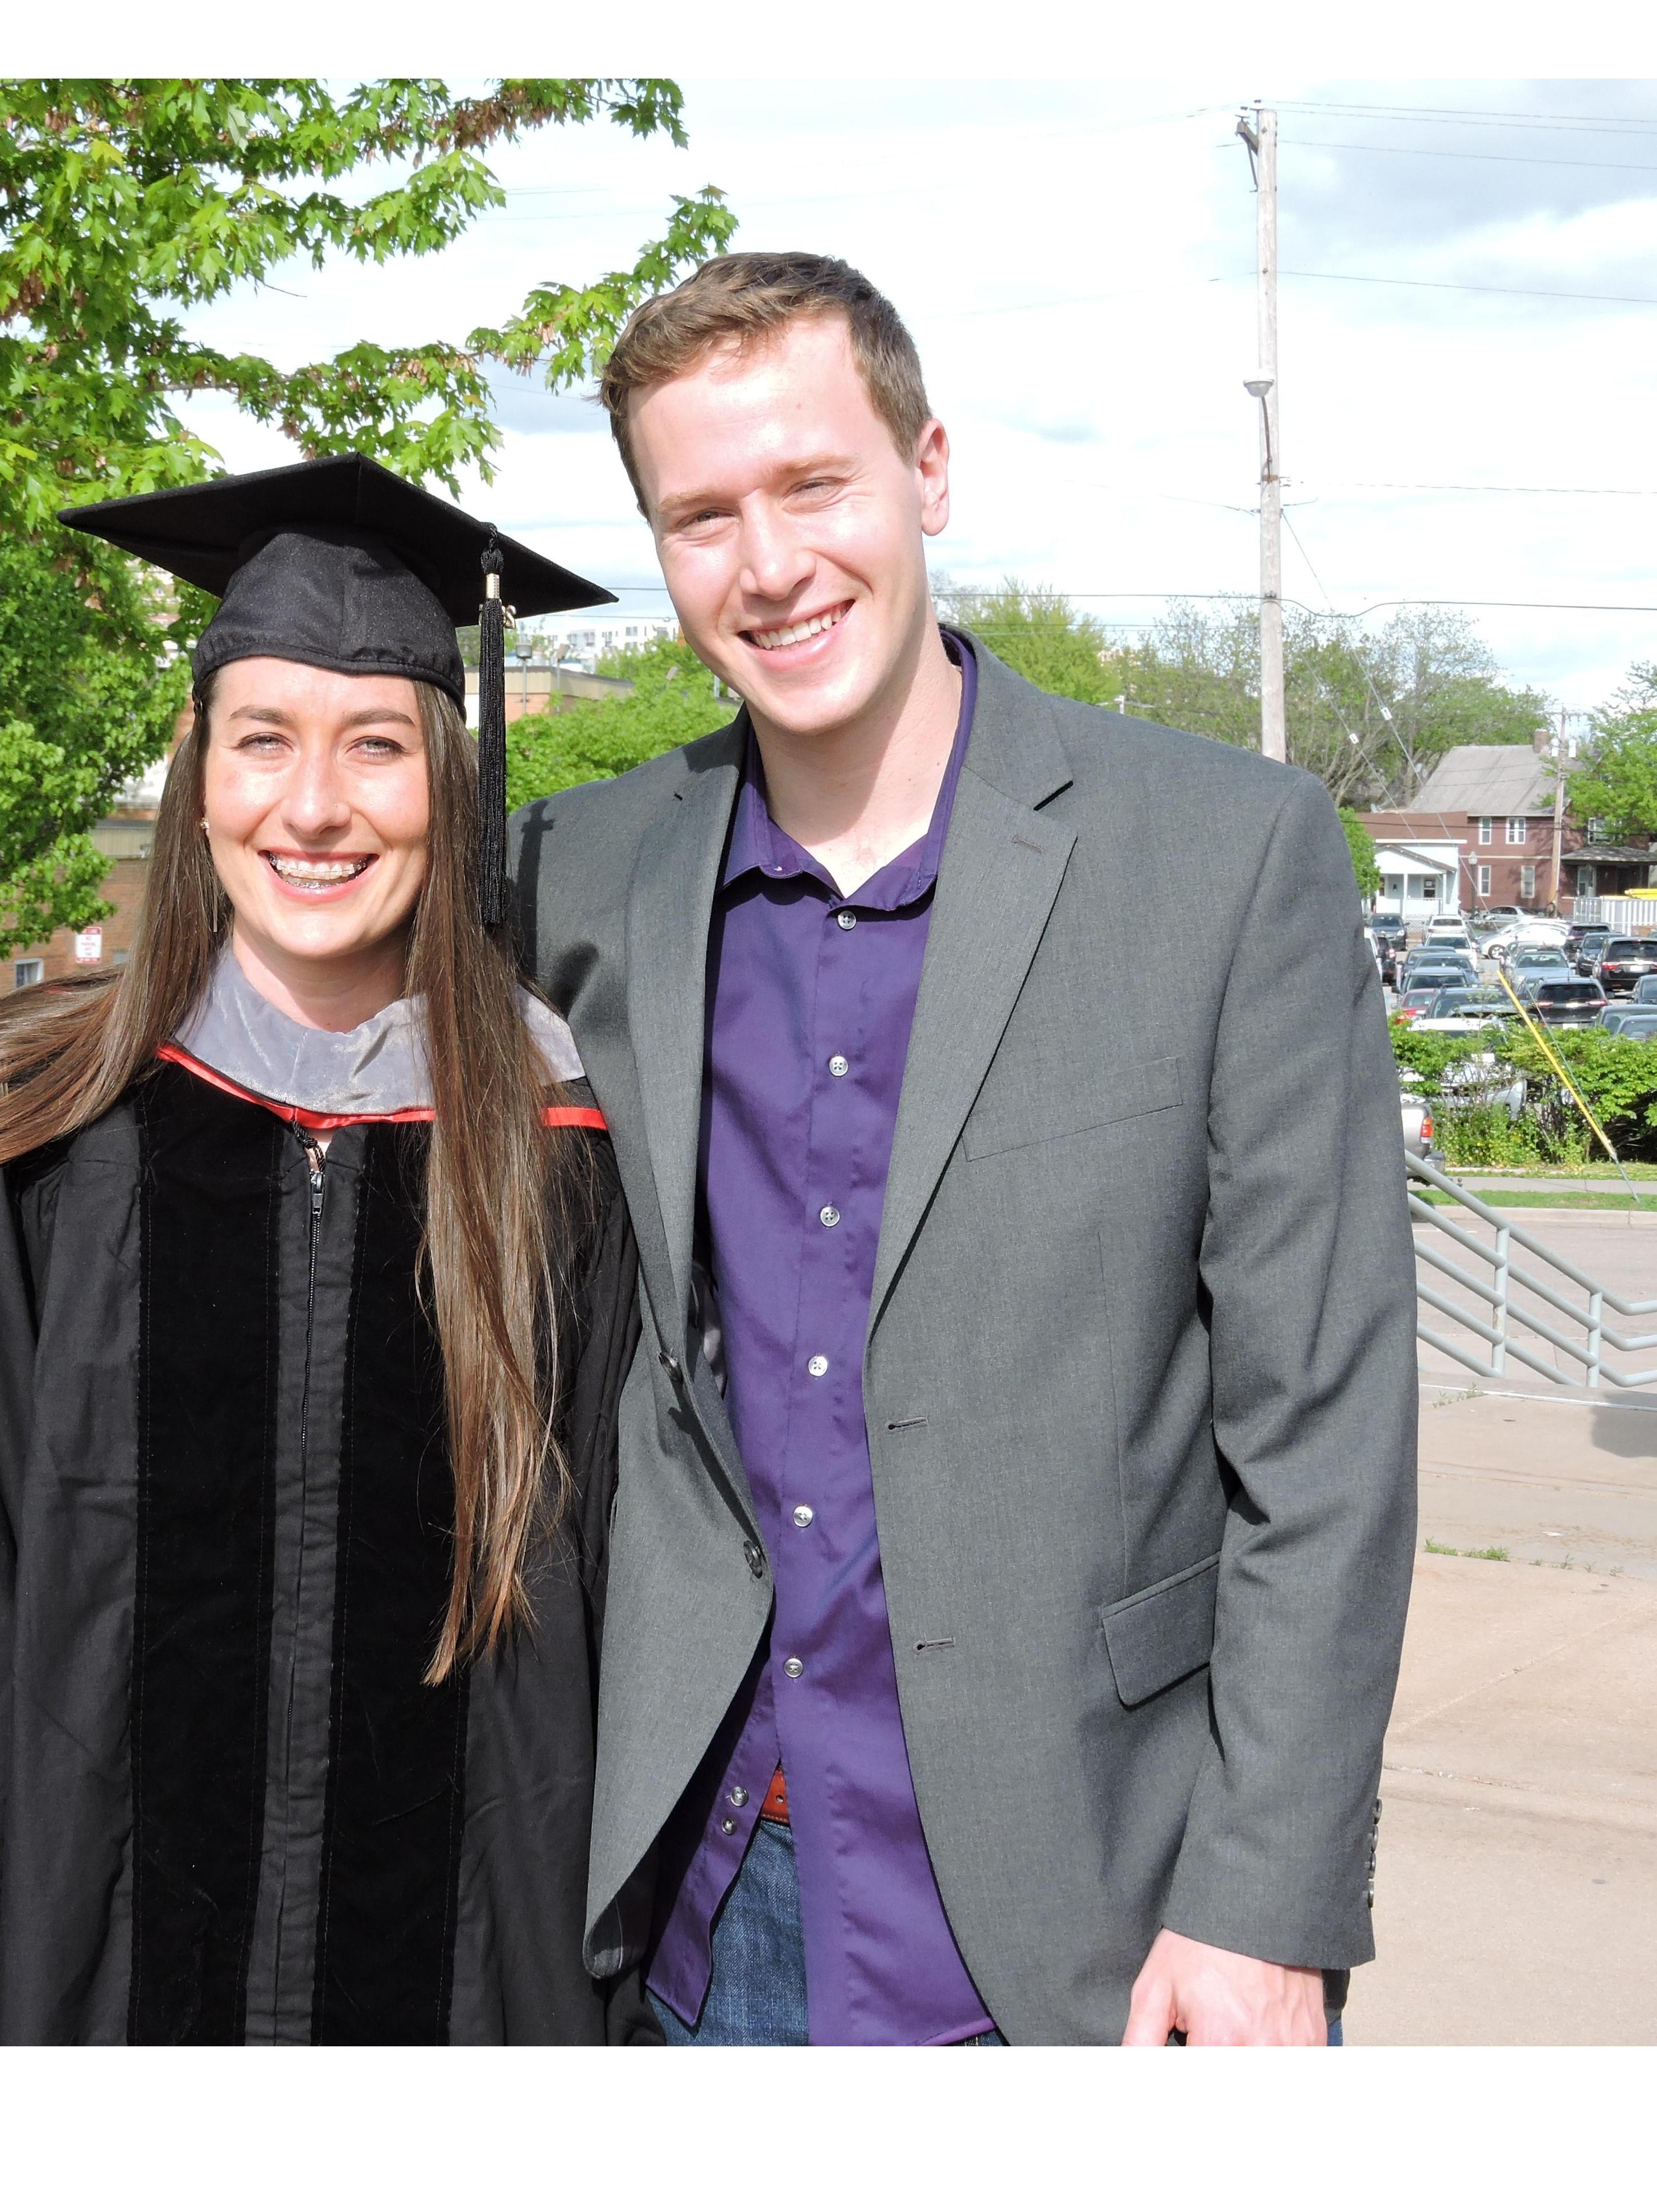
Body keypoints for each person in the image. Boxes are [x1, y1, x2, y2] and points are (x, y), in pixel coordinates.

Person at [507, 253, 1418, 2046]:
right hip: (694, 1898)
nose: (764, 565)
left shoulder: (1220, 855)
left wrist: (1260, 1902)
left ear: (926, 470)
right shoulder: (583, 874)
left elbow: (1319, 1430)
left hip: (1089, 1905)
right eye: (698, 516)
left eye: (809, 485)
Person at [0, 455, 655, 2045]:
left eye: (375, 746)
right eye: (261, 739)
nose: (315, 803)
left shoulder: (564, 1161)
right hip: (88, 1989)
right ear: (197, 776)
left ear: (449, 786)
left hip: (479, 1996)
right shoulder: (33, 1141)